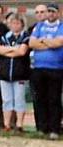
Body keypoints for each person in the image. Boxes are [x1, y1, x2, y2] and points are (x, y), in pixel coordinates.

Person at [29, 2, 63, 139]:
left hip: (56, 68)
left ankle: (54, 129)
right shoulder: (39, 26)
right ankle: (42, 128)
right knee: (40, 99)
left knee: (54, 99)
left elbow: (59, 43)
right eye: (49, 11)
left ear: (58, 13)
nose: (50, 14)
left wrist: (42, 41)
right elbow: (32, 43)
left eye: (53, 11)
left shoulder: (61, 26)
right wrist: (49, 43)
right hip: (38, 67)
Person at [0, 12, 30, 133]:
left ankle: (19, 125)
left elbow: (22, 52)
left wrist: (7, 50)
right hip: (5, 74)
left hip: (19, 74)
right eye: (13, 23)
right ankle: (7, 124)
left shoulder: (25, 36)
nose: (15, 25)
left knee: (19, 99)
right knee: (7, 100)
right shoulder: (5, 37)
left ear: (22, 24)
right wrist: (13, 49)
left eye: (17, 23)